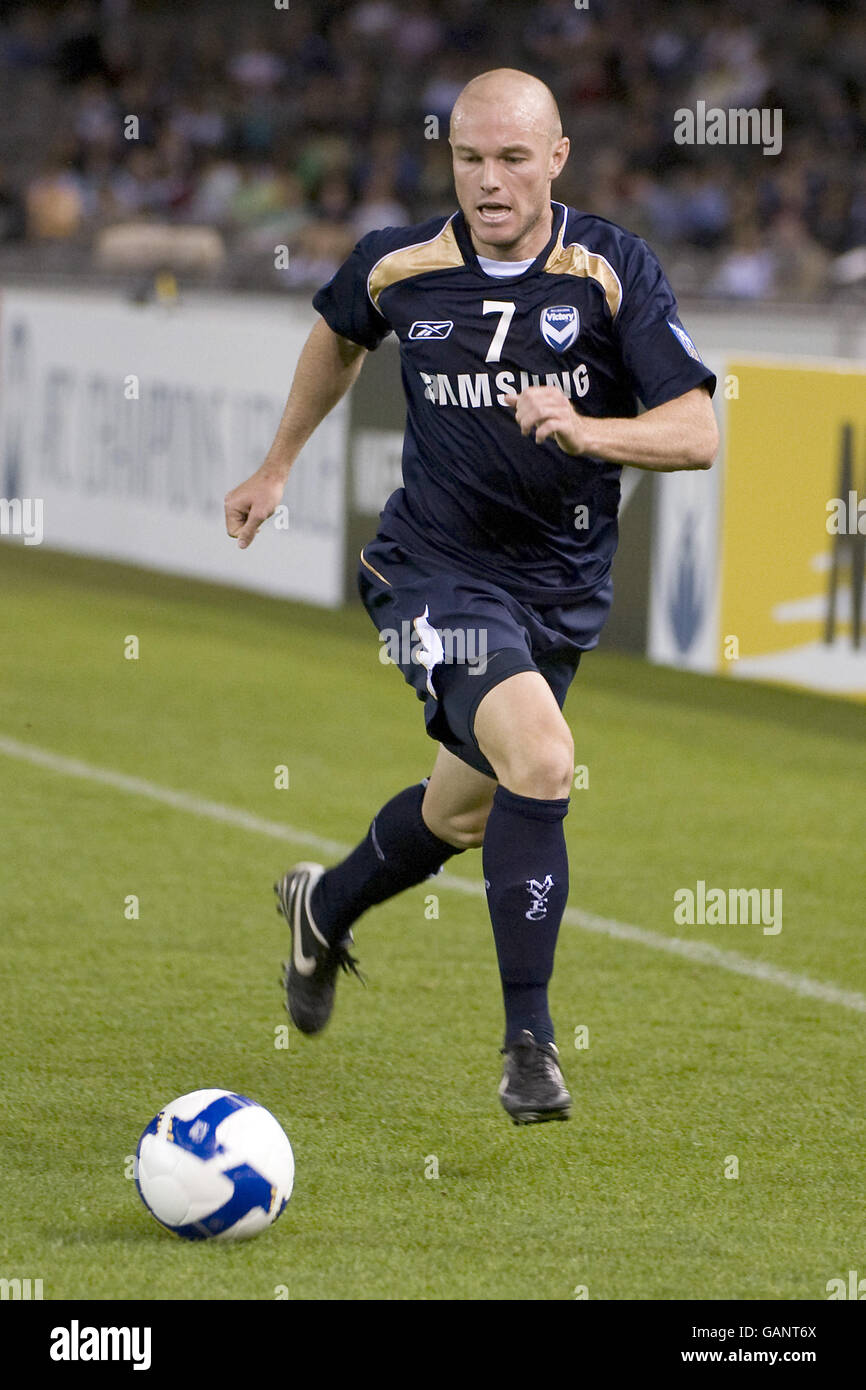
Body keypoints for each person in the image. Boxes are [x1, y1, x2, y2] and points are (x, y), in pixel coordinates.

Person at [224, 68, 718, 1125]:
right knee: (540, 758)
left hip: (559, 592)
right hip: (431, 572)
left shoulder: (609, 269)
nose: (487, 181)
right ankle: (528, 1044)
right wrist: (276, 464)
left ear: (555, 159)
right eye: (466, 159)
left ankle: (324, 905)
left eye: (508, 158)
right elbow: (336, 336)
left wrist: (589, 430)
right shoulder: (401, 263)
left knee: (462, 809)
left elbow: (694, 431)